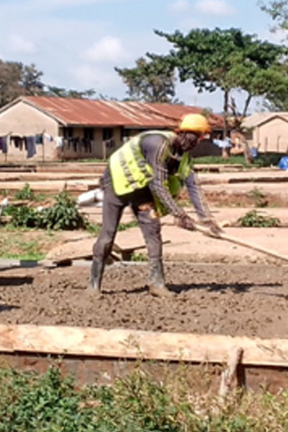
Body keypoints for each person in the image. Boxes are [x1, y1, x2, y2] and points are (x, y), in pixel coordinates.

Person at [90, 113, 221, 298]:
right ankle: (93, 285)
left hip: (142, 191)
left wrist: (207, 220)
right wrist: (180, 215)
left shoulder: (183, 158)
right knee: (108, 234)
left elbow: (194, 186)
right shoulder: (158, 144)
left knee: (153, 232)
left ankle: (156, 284)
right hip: (117, 184)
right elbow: (158, 184)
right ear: (182, 133)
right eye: (193, 136)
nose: (195, 142)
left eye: (199, 137)